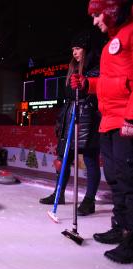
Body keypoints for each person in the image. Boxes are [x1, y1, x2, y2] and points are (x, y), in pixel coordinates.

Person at [70, 0, 133, 264]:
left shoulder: (130, 34)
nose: (95, 21)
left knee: (129, 180)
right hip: (108, 119)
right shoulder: (110, 44)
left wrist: (131, 115)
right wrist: (88, 83)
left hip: (125, 120)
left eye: (97, 15)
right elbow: (110, 83)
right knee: (116, 178)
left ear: (111, 9)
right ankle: (121, 227)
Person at [39, 31, 102, 217]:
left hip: (88, 117)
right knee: (64, 158)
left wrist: (85, 85)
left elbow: (94, 92)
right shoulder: (72, 67)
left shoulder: (96, 67)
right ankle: (58, 193)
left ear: (86, 49)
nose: (74, 52)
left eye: (78, 48)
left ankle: (89, 201)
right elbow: (66, 96)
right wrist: (61, 119)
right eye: (73, 49)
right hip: (70, 116)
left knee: (90, 159)